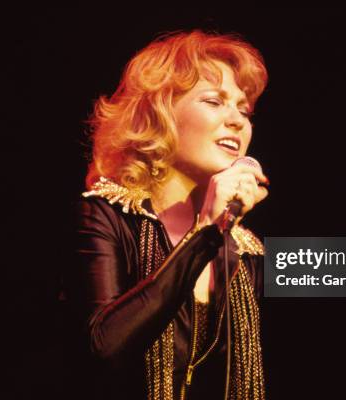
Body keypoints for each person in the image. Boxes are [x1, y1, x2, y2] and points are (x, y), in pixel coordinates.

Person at [62, 30, 269, 400]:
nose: (237, 120)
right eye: (214, 101)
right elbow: (103, 349)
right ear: (159, 115)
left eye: (244, 109)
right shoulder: (105, 216)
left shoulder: (246, 251)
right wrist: (204, 232)